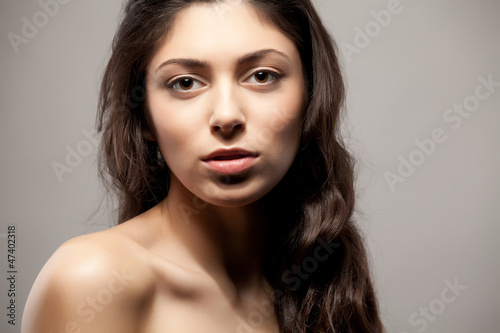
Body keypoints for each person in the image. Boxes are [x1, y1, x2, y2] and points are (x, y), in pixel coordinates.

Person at [22, 0, 384, 332]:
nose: (226, 116)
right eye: (185, 83)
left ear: (311, 96)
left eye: (261, 75)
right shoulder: (92, 281)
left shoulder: (325, 278)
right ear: (143, 115)